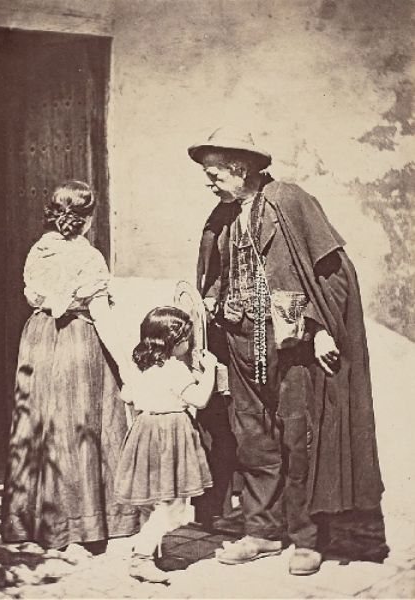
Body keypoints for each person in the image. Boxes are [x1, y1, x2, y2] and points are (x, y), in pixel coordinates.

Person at [188, 128, 384, 575]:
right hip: (241, 345)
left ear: (241, 169)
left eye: (215, 173)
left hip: (294, 347)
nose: (209, 182)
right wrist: (213, 302)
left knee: (299, 439)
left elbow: (333, 273)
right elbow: (214, 274)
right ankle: (262, 531)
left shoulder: (289, 201)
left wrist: (321, 330)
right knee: (252, 438)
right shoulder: (223, 214)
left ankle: (307, 538)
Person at [1, 180, 139, 551]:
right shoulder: (88, 257)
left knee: (42, 424)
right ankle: (85, 524)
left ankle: (37, 522)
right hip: (77, 340)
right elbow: (100, 314)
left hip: (38, 340)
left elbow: (33, 296)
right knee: (82, 424)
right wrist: (127, 365)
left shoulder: (39, 250)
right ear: (87, 218)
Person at [113, 306, 216, 583]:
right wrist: (209, 371)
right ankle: (142, 558)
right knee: (171, 504)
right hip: (171, 434)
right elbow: (200, 399)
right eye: (186, 339)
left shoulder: (140, 366)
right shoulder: (174, 369)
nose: (189, 343)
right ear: (172, 341)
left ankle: (154, 553)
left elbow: (127, 396)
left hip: (145, 432)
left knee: (154, 501)